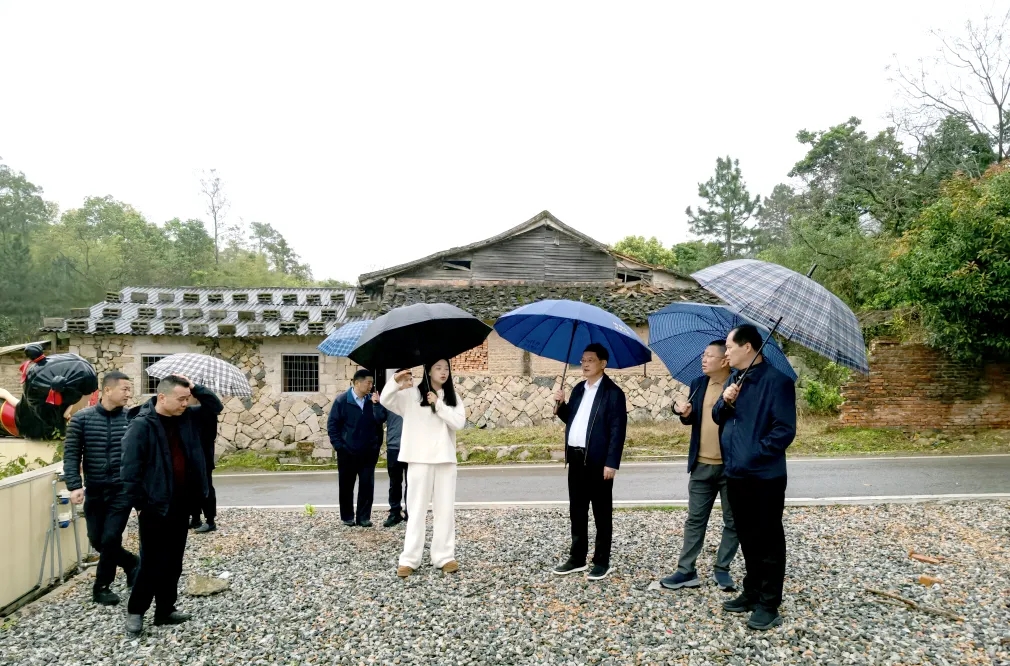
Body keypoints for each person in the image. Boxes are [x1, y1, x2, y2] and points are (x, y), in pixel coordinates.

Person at [120, 374, 223, 635]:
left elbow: (215, 406)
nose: (185, 403)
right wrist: (140, 504)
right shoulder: (142, 425)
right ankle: (136, 611)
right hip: (154, 506)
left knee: (174, 561)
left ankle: (165, 610)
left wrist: (195, 387)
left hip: (182, 503)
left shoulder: (187, 418)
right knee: (151, 562)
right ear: (162, 397)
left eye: (188, 398)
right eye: (181, 399)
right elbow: (130, 470)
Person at [713, 324, 796, 631]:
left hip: (764, 476)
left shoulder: (778, 382)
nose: (726, 353)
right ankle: (752, 591)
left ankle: (769, 603)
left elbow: (784, 431)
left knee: (768, 539)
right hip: (735, 473)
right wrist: (726, 400)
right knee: (746, 535)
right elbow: (717, 417)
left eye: (729, 347)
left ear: (747, 347)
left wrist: (753, 454)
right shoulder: (735, 379)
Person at [660, 341, 739, 592]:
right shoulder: (698, 384)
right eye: (703, 355)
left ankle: (722, 569)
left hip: (730, 466)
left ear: (725, 360)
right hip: (701, 464)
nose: (703, 360)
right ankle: (686, 570)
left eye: (709, 356)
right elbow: (693, 418)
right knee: (695, 519)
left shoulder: (739, 385)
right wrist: (683, 413)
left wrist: (732, 401)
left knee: (733, 521)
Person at [551, 343, 628, 582]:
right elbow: (572, 419)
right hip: (575, 459)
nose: (584, 364)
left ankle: (602, 561)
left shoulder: (613, 393)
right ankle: (577, 558)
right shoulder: (578, 389)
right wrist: (561, 405)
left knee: (601, 513)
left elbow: (617, 431)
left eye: (590, 360)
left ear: (603, 363)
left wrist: (611, 463)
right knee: (577, 510)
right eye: (583, 360)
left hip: (598, 461)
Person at [381, 361, 465, 578]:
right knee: (416, 510)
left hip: (445, 460)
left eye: (446, 368)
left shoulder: (452, 398)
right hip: (418, 460)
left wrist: (439, 404)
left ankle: (444, 556)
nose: (443, 372)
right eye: (438, 368)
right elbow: (385, 400)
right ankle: (409, 559)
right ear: (428, 371)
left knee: (445, 511)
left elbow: (459, 423)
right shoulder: (411, 396)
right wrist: (395, 381)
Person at [62, 371, 140, 606]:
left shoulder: (132, 418)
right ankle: (131, 563)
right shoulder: (81, 419)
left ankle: (102, 586)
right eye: (124, 389)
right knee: (97, 540)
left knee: (110, 537)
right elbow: (71, 455)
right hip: (95, 489)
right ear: (107, 390)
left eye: (129, 389)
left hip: (122, 490)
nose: (129, 394)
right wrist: (75, 486)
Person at [328, 369, 388, 527]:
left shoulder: (372, 401)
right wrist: (339, 446)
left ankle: (364, 517)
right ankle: (347, 516)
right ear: (357, 383)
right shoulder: (342, 400)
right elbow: (333, 425)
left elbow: (381, 420)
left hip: (368, 452)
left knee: (367, 485)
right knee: (346, 485)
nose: (371, 386)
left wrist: (377, 404)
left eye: (372, 383)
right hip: (347, 452)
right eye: (368, 382)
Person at [190, 393, 223, 533]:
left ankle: (210, 521)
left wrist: (196, 389)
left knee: (206, 488)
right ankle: (195, 518)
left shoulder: (207, 411)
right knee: (191, 488)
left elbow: (216, 405)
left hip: (204, 457)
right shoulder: (188, 411)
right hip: (191, 457)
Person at [382, 369, 408, 528]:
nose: (409, 382)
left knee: (412, 482)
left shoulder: (416, 400)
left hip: (412, 446)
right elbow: (379, 417)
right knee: (395, 483)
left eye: (410, 379)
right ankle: (394, 512)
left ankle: (410, 512)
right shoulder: (389, 400)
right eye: (405, 379)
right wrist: (375, 404)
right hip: (394, 446)